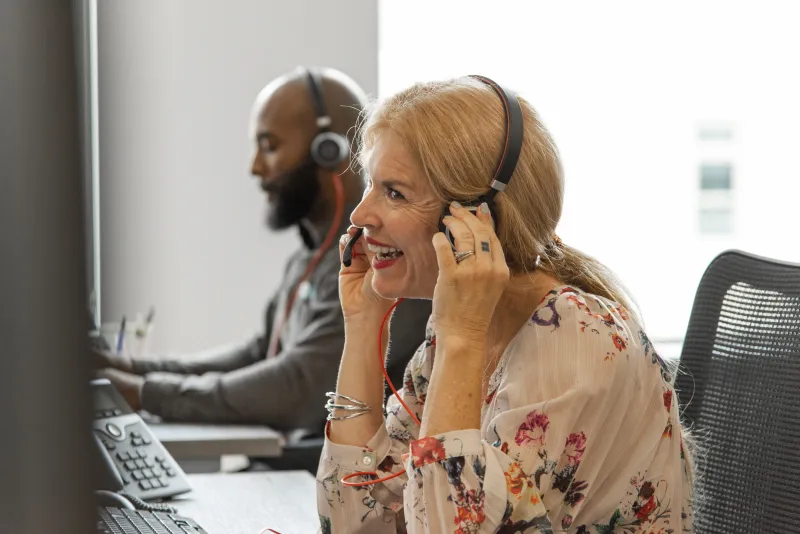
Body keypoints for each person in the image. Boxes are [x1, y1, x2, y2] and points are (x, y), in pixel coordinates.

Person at [317, 76, 694, 533]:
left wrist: (461, 339)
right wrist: (362, 325)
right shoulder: (457, 331)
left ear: (478, 219)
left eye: (394, 192)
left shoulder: (576, 338)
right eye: (371, 185)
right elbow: (352, 523)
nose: (360, 215)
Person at [94, 67, 432, 442]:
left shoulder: (379, 259)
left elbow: (300, 388)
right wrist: (134, 369)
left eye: (270, 147)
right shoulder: (310, 258)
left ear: (328, 151)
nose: (255, 167)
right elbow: (261, 352)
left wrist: (146, 393)